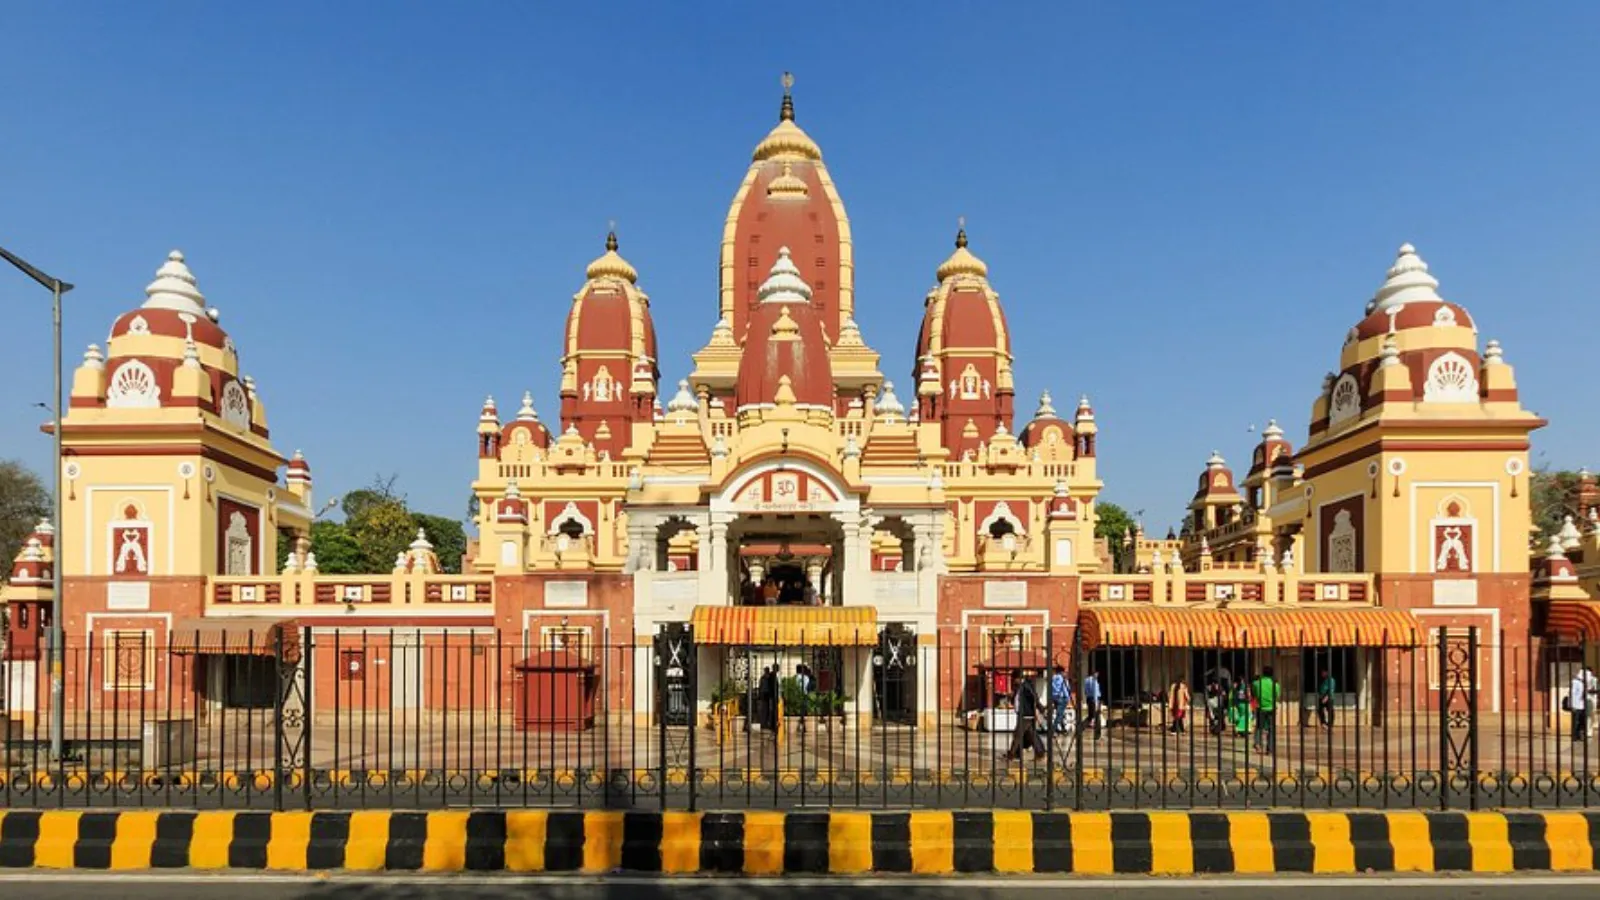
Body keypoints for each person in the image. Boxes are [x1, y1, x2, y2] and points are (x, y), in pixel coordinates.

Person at [1004, 669, 1047, 762]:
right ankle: (1040, 753)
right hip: (1022, 714)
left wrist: (1041, 708)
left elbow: (1034, 697)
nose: (1013, 681)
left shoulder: (1026, 686)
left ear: (1018, 678)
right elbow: (1017, 699)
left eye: (1014, 679)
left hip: (1026, 714)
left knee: (1017, 735)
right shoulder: (1019, 687)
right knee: (1031, 735)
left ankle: (1012, 755)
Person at [1253, 666, 1280, 754]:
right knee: (1271, 728)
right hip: (1271, 708)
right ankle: (1270, 748)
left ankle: (1257, 743)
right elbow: (1277, 696)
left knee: (1259, 727)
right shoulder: (1275, 684)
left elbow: (1255, 694)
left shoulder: (1256, 683)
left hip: (1260, 707)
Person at [1047, 665, 1071, 736]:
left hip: (1055, 697)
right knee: (1059, 715)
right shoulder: (1063, 678)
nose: (1065, 673)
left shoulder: (1053, 678)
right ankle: (1052, 731)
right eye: (1064, 672)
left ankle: (1063, 729)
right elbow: (1065, 689)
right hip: (1062, 698)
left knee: (1061, 713)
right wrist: (1067, 698)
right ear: (1061, 672)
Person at [1571, 666, 1591, 743]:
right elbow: (1572, 694)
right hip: (1576, 705)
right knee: (1575, 722)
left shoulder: (1583, 683)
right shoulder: (1575, 682)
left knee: (1582, 722)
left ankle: (1580, 735)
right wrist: (1573, 705)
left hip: (1582, 705)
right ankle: (1574, 736)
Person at [1083, 670, 1103, 741]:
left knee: (1090, 716)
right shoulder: (1094, 680)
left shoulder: (1086, 680)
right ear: (1094, 673)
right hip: (1095, 699)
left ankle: (1079, 729)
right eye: (1097, 673)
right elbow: (1095, 692)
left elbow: (1085, 691)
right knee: (1097, 717)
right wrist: (1096, 703)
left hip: (1089, 699)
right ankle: (1097, 735)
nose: (1097, 675)